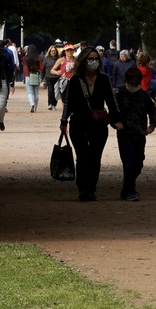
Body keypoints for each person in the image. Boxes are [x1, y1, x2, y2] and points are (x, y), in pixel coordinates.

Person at [60, 46, 119, 201]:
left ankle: (91, 188)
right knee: (82, 156)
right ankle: (83, 189)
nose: (93, 61)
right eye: (90, 59)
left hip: (98, 124)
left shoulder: (104, 79)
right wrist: (64, 120)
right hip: (78, 122)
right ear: (83, 61)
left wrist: (115, 120)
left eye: (95, 59)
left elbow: (111, 101)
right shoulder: (75, 80)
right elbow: (68, 102)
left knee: (95, 157)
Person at [112, 65, 156, 201]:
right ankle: (130, 190)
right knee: (129, 163)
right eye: (132, 84)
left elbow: (152, 111)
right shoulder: (119, 96)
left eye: (137, 84)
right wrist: (115, 123)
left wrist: (152, 125)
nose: (134, 86)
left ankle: (127, 186)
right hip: (124, 134)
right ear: (126, 81)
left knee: (138, 162)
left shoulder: (143, 96)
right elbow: (112, 113)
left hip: (140, 133)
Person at [24, 48, 44, 113]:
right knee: (36, 93)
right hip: (36, 75)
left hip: (28, 75)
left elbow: (24, 66)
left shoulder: (25, 58)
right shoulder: (38, 59)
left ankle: (31, 103)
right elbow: (41, 68)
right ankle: (35, 107)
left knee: (30, 92)